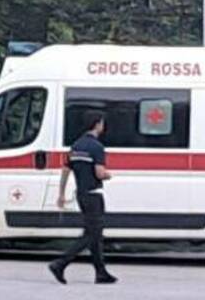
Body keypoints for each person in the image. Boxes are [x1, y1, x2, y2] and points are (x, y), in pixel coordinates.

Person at [48, 111, 117, 285]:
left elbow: (65, 170)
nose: (103, 126)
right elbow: (99, 173)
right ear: (97, 124)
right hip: (94, 195)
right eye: (102, 123)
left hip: (81, 194)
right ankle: (60, 263)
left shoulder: (76, 146)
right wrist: (109, 175)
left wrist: (61, 194)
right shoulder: (97, 147)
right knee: (92, 234)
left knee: (94, 233)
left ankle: (101, 273)